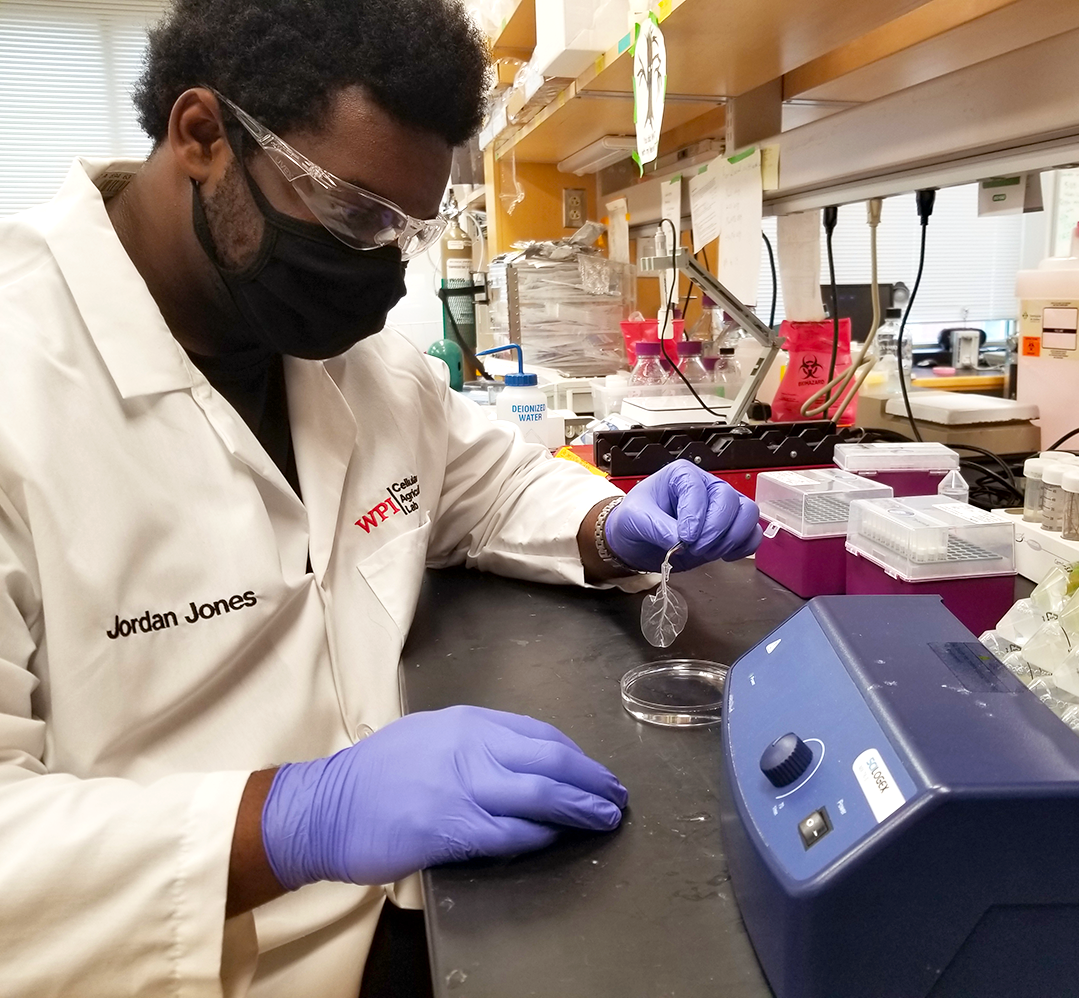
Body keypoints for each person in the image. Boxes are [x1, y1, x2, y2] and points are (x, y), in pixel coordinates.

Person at [0, 0, 762, 994]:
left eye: (407, 229)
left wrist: (611, 522)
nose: (383, 273)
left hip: (414, 917)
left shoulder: (358, 365)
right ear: (201, 136)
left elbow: (486, 485)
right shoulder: (21, 379)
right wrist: (298, 814)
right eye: (355, 211)